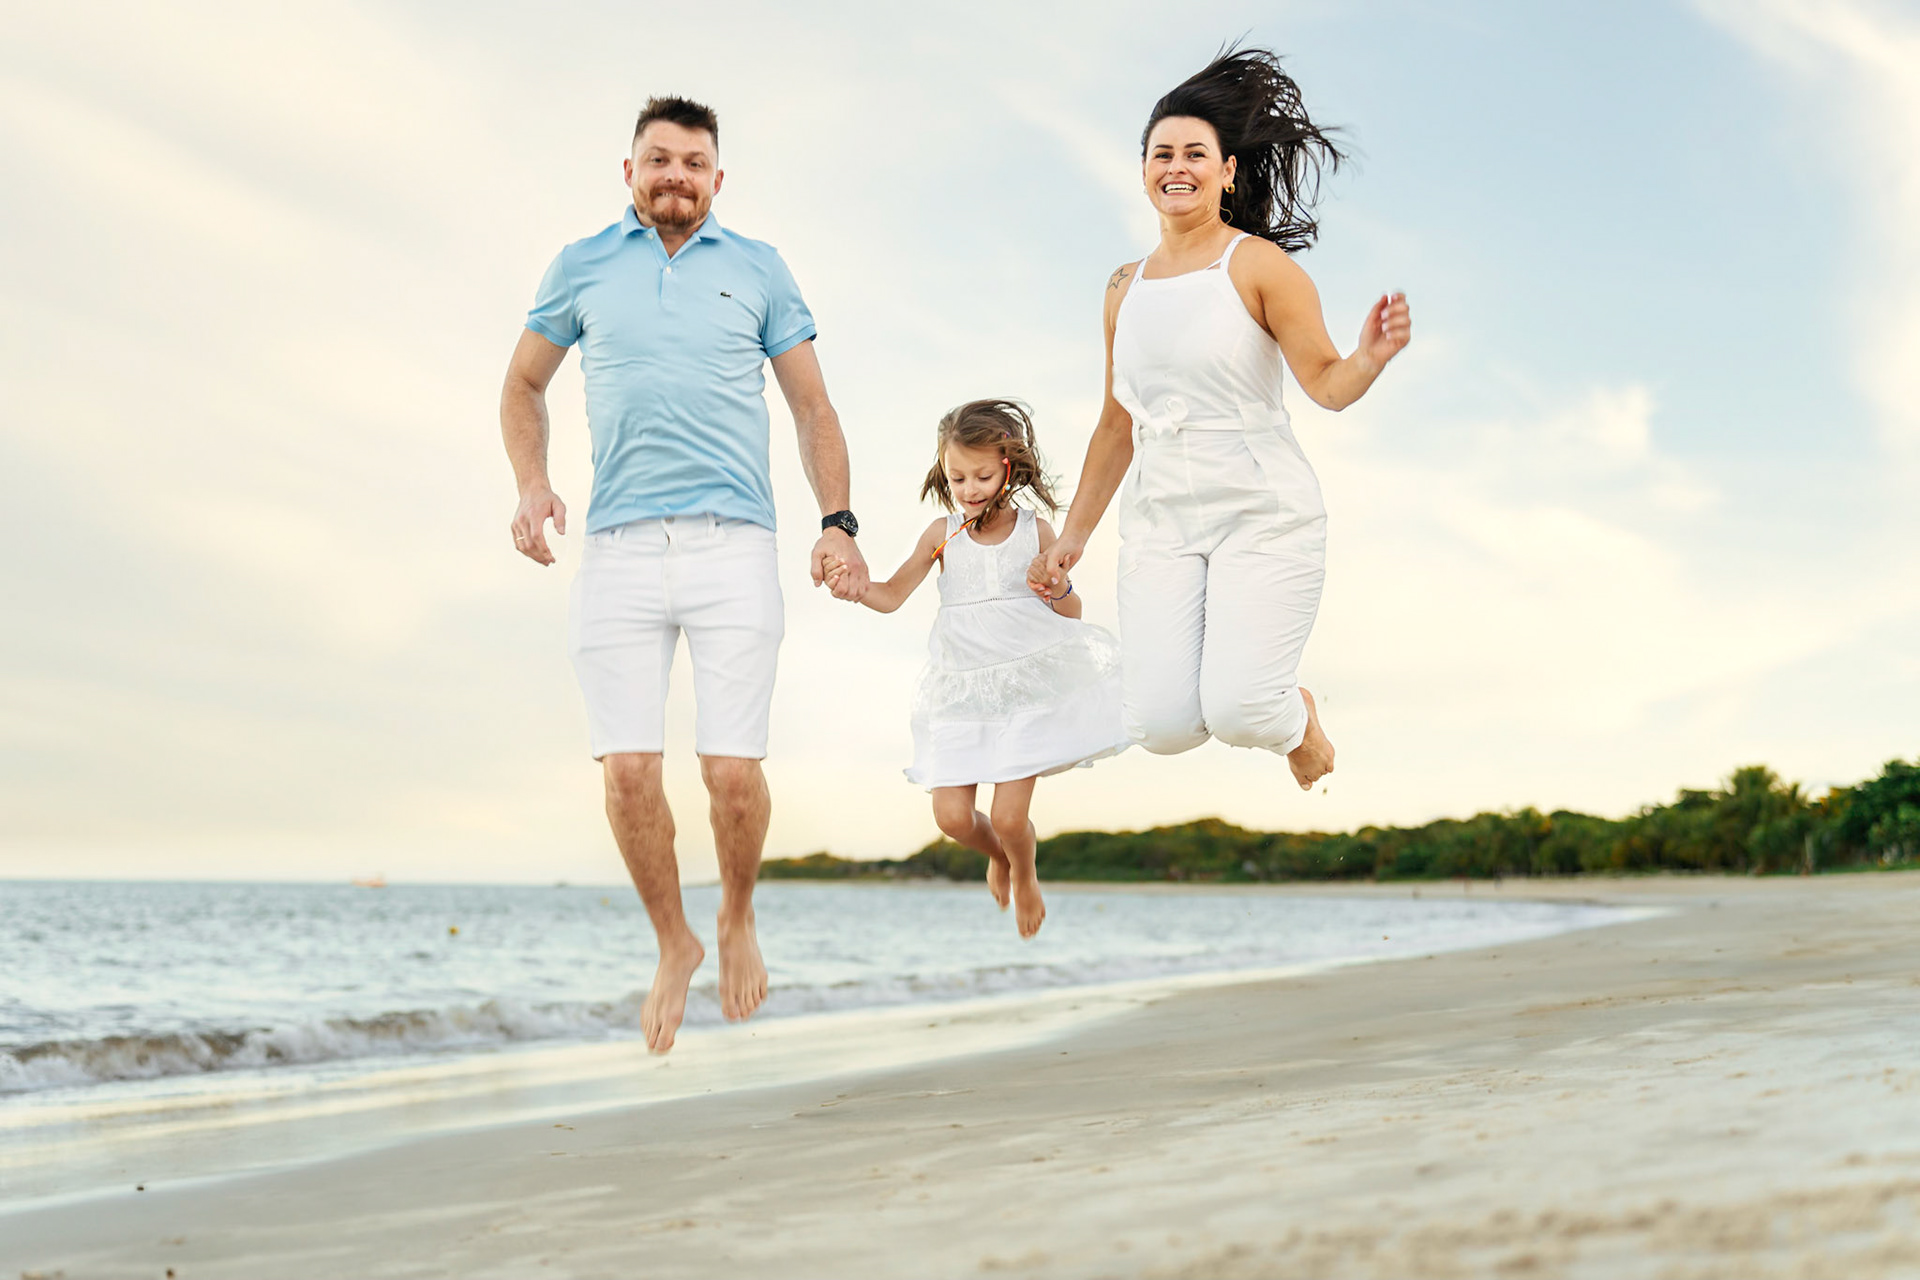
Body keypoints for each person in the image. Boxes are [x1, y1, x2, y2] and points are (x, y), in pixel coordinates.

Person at [499, 96, 871, 1055]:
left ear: (717, 178)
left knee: (731, 775)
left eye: (693, 162)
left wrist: (836, 523)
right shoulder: (580, 266)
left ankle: (737, 912)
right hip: (617, 547)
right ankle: (676, 942)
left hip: (733, 541)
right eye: (657, 159)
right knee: (626, 773)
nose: (675, 175)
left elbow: (813, 408)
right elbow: (523, 383)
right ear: (628, 172)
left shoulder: (759, 269)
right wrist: (533, 483)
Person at [1030, 46, 1411, 789]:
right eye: (1161, 153)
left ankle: (1296, 719)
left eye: (1195, 154)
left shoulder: (1258, 265)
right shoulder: (1121, 286)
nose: (1177, 166)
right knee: (1162, 728)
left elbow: (1327, 386)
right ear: (1143, 168)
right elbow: (1116, 425)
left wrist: (1368, 357)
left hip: (1261, 514)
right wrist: (1073, 537)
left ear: (1228, 170)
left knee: (1242, 711)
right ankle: (1259, 705)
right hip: (1161, 521)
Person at [825, 400, 1129, 938]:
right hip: (961, 694)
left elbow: (1071, 612)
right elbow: (892, 595)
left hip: (1023, 691)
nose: (968, 488)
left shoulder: (1035, 532)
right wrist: (854, 588)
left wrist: (1057, 587)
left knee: (1011, 818)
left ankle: (1026, 871)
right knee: (952, 819)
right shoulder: (940, 534)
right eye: (957, 476)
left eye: (982, 475)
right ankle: (1001, 856)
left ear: (1009, 468)